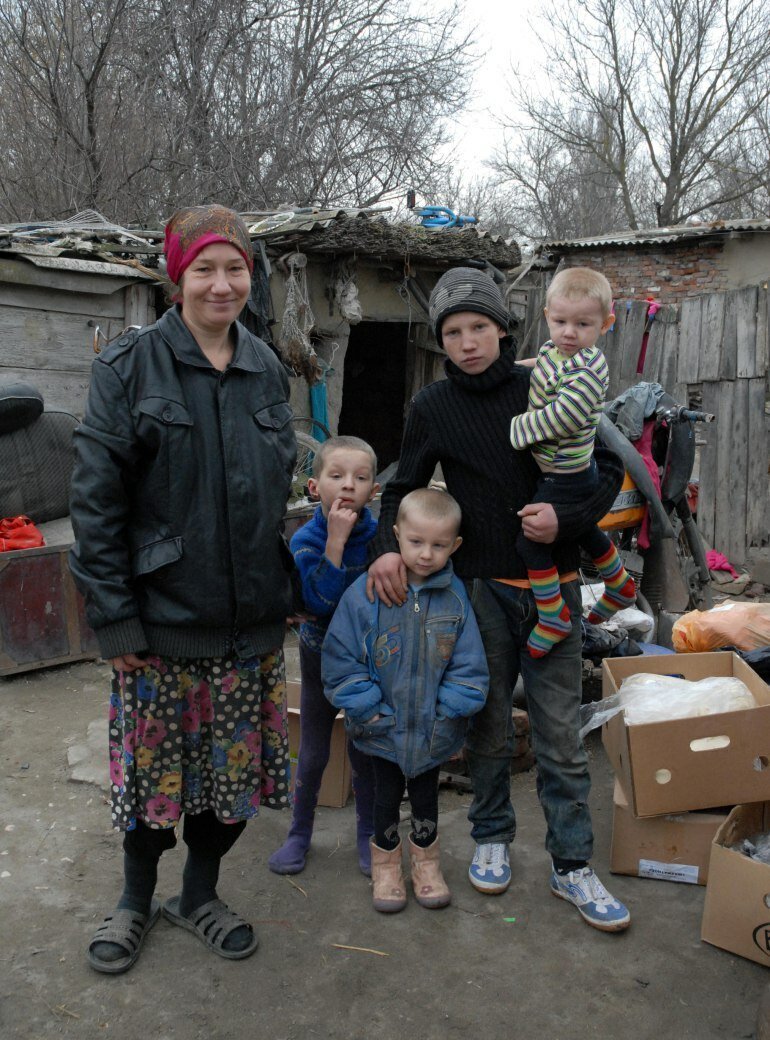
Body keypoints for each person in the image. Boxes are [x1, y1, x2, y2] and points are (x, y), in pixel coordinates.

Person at [367, 267, 631, 931]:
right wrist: (386, 549)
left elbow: (605, 471)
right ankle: (491, 835)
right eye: (452, 332)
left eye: (479, 327)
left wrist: (565, 523)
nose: (467, 342)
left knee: (563, 736)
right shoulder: (433, 407)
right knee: (485, 728)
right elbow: (402, 487)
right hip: (480, 592)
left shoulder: (544, 379)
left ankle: (572, 866)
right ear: (441, 342)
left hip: (556, 591)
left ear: (504, 328)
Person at [70, 204, 297, 973]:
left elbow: (271, 498)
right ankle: (136, 899)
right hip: (161, 624)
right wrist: (116, 622)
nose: (222, 283)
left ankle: (198, 895)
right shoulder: (129, 366)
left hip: (251, 626)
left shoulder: (268, 367)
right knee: (151, 787)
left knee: (228, 789)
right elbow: (96, 506)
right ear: (178, 276)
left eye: (235, 267)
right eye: (205, 267)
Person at [323, 488, 488, 913]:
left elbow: (468, 664)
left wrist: (448, 710)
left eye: (438, 545)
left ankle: (427, 865)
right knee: (383, 797)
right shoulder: (367, 593)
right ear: (396, 535)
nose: (427, 554)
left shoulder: (455, 600)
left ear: (456, 546)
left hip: (432, 730)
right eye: (416, 542)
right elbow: (342, 658)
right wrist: (368, 708)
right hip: (381, 727)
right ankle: (387, 867)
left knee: (426, 798)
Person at [510, 267, 636, 658]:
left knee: (530, 542)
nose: (569, 332)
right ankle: (618, 583)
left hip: (566, 473)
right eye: (561, 321)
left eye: (583, 324)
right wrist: (512, 371)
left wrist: (516, 429)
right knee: (582, 529)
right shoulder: (556, 350)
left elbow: (562, 416)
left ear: (605, 324)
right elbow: (541, 363)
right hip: (570, 467)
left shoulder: (587, 369)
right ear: (547, 314)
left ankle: (553, 616)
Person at [268, 435, 379, 877]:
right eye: (336, 476)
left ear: (374, 489)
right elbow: (316, 602)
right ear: (315, 487)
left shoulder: (379, 537)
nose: (348, 486)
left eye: (360, 477)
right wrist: (336, 540)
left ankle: (369, 833)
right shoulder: (308, 539)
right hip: (318, 658)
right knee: (313, 750)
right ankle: (299, 833)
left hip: (369, 662)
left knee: (365, 749)